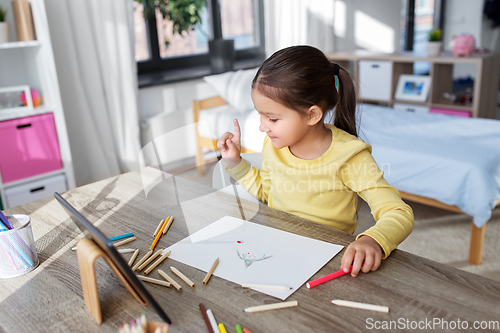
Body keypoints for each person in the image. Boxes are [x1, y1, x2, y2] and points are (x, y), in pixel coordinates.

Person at [217, 45, 414, 278]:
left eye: (271, 118)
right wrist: (235, 162)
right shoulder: (273, 145)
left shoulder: (350, 156)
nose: (262, 126)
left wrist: (374, 240)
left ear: (312, 115)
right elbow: (268, 193)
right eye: (260, 115)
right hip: (277, 250)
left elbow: (398, 211)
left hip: (327, 262)